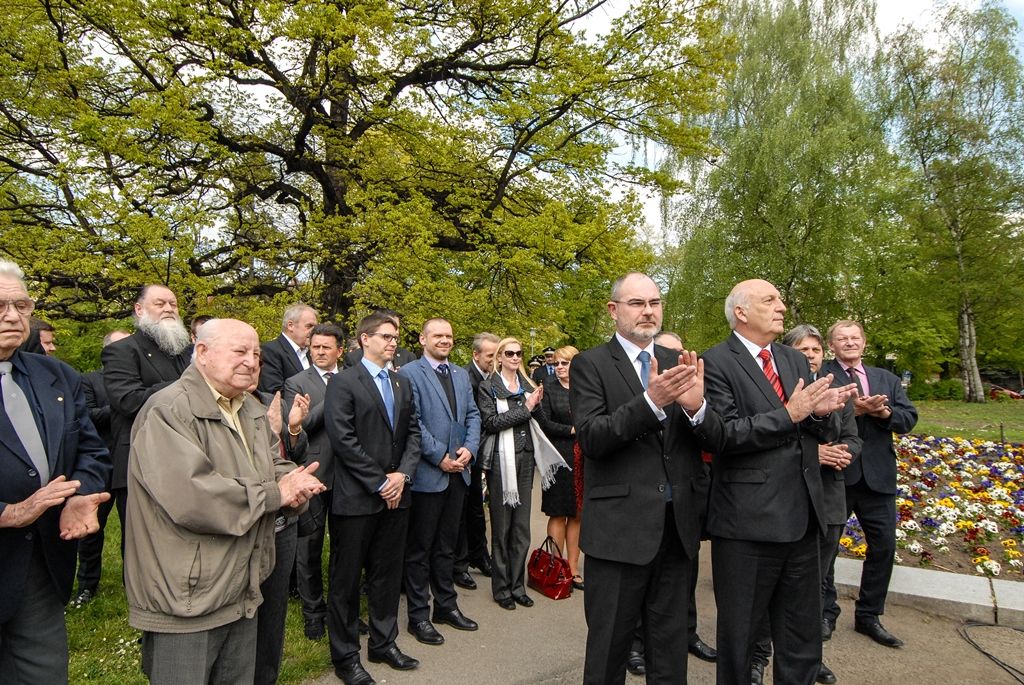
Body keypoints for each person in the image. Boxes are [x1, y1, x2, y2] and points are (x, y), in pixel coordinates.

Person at [124, 318, 325, 685]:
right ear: (202, 352)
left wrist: (295, 480)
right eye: (240, 352)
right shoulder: (168, 410)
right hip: (188, 596)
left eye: (257, 354)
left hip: (242, 587)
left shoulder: (248, 409)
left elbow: (271, 464)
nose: (252, 361)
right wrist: (277, 493)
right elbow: (193, 496)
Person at [698, 279, 853, 685]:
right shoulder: (714, 362)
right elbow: (724, 435)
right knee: (742, 638)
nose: (782, 306)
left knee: (801, 636)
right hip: (747, 525)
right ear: (742, 312)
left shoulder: (794, 359)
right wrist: (792, 413)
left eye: (781, 299)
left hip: (803, 517)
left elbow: (812, 428)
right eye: (770, 300)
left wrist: (821, 414)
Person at [570, 272, 722, 685]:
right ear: (614, 309)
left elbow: (715, 439)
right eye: (637, 303)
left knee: (670, 648)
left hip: (676, 529)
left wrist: (697, 410)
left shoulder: (681, 364)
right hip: (618, 532)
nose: (648, 311)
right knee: (609, 649)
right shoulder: (590, 364)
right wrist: (650, 402)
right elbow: (593, 438)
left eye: (655, 303)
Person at [0, 260, 111, 684]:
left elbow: (90, 450)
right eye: (0, 306)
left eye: (21, 304)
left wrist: (80, 494)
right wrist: (6, 512)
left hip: (37, 562)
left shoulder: (56, 375)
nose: (13, 316)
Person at [747, 324, 863, 685]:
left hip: (826, 501)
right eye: (803, 350)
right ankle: (758, 656)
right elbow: (770, 439)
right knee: (771, 589)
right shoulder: (775, 392)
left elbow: (852, 439)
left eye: (815, 350)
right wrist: (814, 453)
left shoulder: (835, 390)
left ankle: (808, 658)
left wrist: (842, 453)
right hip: (782, 502)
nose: (810, 356)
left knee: (815, 586)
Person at [324, 311, 422, 685]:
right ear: (365, 339)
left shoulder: (401, 384)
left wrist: (402, 475)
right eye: (385, 336)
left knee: (386, 575)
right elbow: (343, 440)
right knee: (346, 581)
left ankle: (384, 643)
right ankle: (346, 656)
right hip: (357, 498)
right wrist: (380, 481)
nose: (392, 342)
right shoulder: (344, 383)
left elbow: (413, 432)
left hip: (397, 496)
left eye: (395, 336)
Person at [822, 320, 918, 649]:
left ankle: (869, 615)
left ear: (864, 342)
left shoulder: (886, 379)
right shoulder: (823, 375)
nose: (849, 343)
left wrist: (883, 413)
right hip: (838, 475)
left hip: (878, 478)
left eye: (854, 338)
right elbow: (814, 419)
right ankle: (825, 612)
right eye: (841, 339)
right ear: (831, 345)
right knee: (827, 549)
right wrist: (855, 411)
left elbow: (908, 419)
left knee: (884, 548)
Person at [400, 318, 481, 646]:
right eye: (438, 335)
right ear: (423, 339)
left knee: (447, 547)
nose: (445, 340)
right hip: (428, 475)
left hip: (459, 473)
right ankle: (418, 615)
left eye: (449, 335)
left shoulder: (461, 374)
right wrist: (439, 456)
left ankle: (445, 606)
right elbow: (413, 422)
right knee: (420, 549)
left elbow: (473, 415)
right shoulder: (409, 374)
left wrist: (469, 450)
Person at [478, 337, 567, 611]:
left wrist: (537, 407)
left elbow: (541, 422)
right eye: (510, 353)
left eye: (518, 353)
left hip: (526, 458)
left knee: (521, 528)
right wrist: (525, 408)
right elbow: (492, 423)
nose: (516, 357)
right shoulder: (487, 387)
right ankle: (501, 587)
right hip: (500, 460)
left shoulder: (529, 386)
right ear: (500, 358)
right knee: (502, 526)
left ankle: (517, 585)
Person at [103, 284, 191, 556]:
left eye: (173, 304)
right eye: (160, 303)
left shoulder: (186, 352)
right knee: (141, 546)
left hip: (186, 459)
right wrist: (183, 386)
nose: (168, 309)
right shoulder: (122, 350)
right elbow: (128, 400)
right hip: (140, 461)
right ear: (139, 310)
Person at [653, 329, 717, 664]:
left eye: (677, 353)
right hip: (648, 505)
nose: (672, 361)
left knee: (685, 572)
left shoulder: (692, 387)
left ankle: (687, 633)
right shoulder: (647, 390)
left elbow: (714, 435)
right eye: (665, 353)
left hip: (688, 495)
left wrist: (696, 407)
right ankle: (638, 643)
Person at [282, 322, 345, 641]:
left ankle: (339, 610)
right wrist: (335, 394)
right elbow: (298, 430)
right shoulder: (297, 382)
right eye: (315, 346)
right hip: (314, 473)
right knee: (309, 547)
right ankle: (312, 613)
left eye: (326, 347)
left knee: (343, 549)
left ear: (340, 350)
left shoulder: (352, 376)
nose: (319, 352)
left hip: (349, 475)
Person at [74, 328, 131, 605]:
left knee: (132, 529)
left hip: (129, 464)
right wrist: (122, 405)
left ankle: (132, 584)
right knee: (92, 530)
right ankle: (87, 584)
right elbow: (88, 416)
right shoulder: (89, 381)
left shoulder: (136, 382)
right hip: (100, 465)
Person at [536, 345, 584, 589]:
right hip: (556, 457)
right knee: (558, 512)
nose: (560, 368)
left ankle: (573, 569)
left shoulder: (584, 388)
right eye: (557, 364)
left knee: (577, 514)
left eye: (565, 363)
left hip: (583, 456)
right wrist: (572, 430)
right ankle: (556, 568)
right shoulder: (548, 388)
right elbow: (544, 422)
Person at [453, 332, 499, 589]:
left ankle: (478, 555)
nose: (494, 361)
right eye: (490, 356)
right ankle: (462, 563)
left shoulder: (491, 379)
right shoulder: (465, 378)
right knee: (465, 510)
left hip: (480, 453)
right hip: (467, 453)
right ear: (476, 355)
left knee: (476, 509)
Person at [258, 303, 318, 395]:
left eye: (315, 327)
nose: (314, 331)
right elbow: (273, 391)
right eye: (309, 326)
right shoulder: (270, 351)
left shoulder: (311, 353)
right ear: (290, 325)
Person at [343, 308, 417, 370]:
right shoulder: (354, 358)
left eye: (397, 328)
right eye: (387, 336)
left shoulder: (408, 357)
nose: (396, 332)